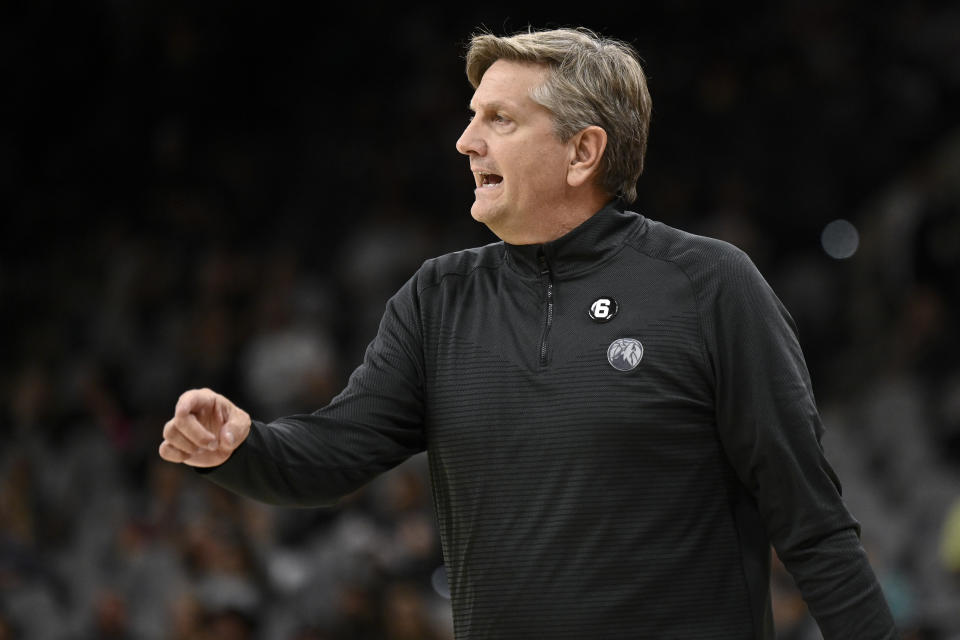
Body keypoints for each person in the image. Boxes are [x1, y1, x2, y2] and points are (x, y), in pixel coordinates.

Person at [159, 27, 897, 639]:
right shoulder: (437, 298)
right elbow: (330, 455)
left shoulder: (709, 286)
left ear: (583, 153)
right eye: (472, 115)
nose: (464, 141)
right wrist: (241, 445)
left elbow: (813, 526)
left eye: (499, 121)